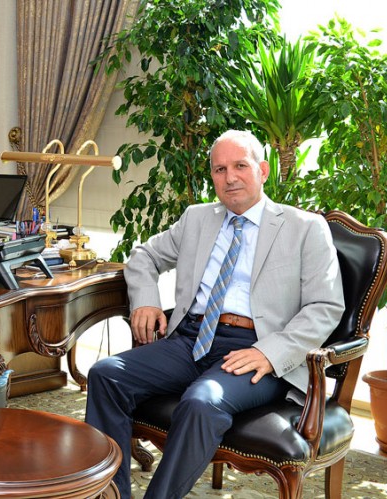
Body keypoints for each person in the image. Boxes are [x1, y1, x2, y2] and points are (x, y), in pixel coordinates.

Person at [85, 130, 345, 499]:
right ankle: (112, 494)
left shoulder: (303, 228)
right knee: (106, 374)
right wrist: (146, 301)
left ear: (263, 171)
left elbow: (325, 306)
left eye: (240, 166)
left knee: (201, 402)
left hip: (255, 349)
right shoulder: (197, 218)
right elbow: (144, 256)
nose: (230, 177)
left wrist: (270, 353)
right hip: (190, 338)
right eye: (220, 169)